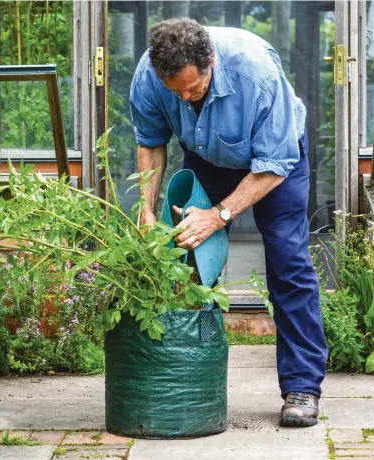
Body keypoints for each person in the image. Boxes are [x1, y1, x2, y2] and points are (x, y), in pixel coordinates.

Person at [129, 18, 328, 428]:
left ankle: (302, 385)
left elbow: (274, 165)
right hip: (206, 154)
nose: (185, 97)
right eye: (176, 92)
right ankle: (189, 378)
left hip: (276, 161)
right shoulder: (149, 77)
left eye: (194, 88)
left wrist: (218, 216)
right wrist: (146, 208)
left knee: (289, 263)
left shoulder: (256, 72)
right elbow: (151, 141)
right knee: (190, 260)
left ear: (211, 63)